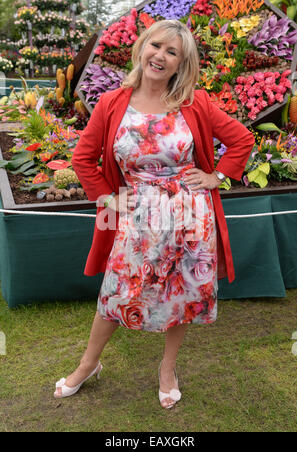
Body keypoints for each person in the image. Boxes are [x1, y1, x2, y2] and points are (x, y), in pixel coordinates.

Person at [54, 19, 255, 408]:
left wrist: (217, 177)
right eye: (156, 46)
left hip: (189, 215)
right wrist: (107, 200)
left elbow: (241, 140)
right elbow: (82, 158)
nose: (160, 56)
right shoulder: (113, 101)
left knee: (181, 292)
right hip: (135, 216)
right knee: (116, 291)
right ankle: (87, 365)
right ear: (142, 48)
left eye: (172, 52)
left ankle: (167, 368)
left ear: (181, 64)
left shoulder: (194, 102)